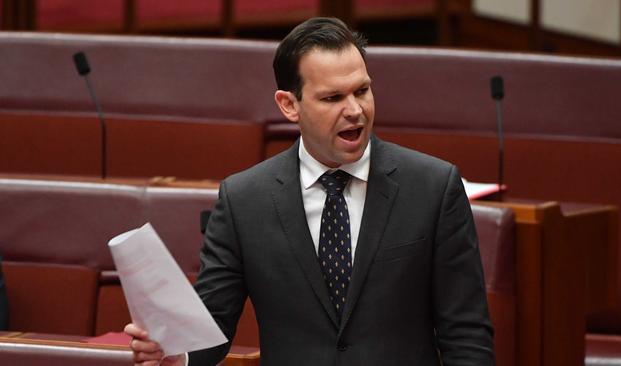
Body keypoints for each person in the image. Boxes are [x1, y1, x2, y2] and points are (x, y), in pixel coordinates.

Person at [126, 17, 494, 366]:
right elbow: (213, 325)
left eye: (362, 91)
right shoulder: (244, 200)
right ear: (289, 105)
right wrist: (177, 354)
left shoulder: (432, 188)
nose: (355, 111)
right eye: (333, 98)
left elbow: (466, 334)